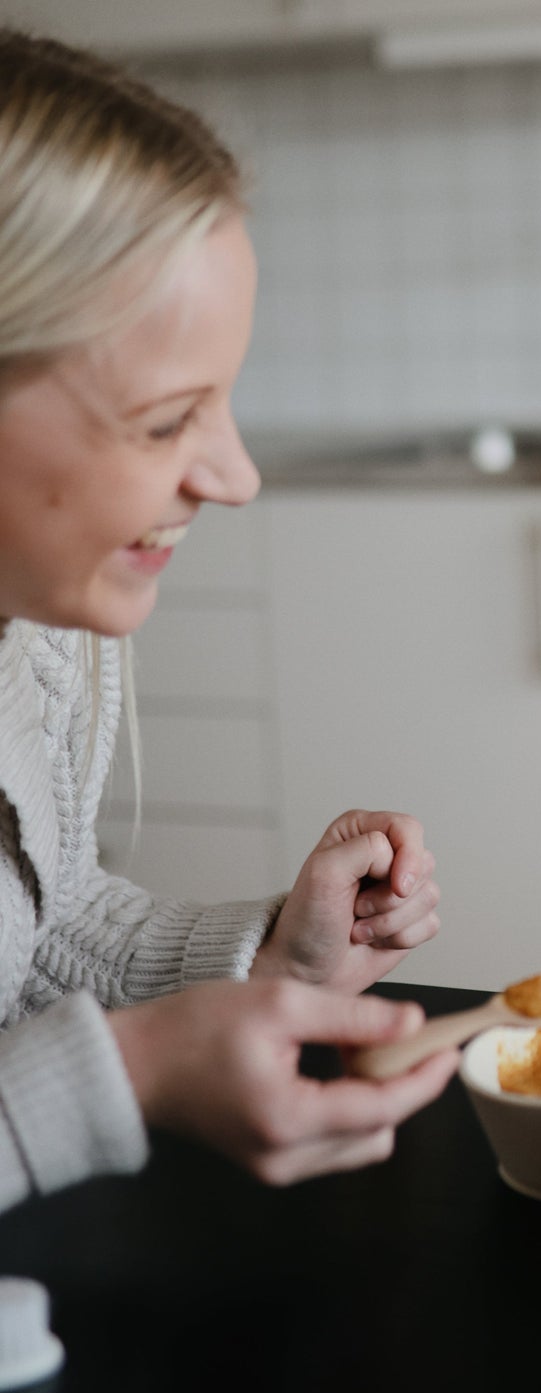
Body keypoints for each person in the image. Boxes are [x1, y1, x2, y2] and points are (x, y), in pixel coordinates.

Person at [0, 28, 459, 1214]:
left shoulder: (32, 632)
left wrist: (270, 959)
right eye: (165, 421)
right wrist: (132, 1075)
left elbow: (31, 928)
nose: (235, 475)